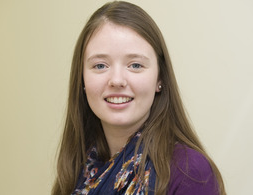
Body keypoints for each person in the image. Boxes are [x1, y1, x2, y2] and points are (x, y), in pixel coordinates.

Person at [52, 1, 226, 195]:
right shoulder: (77, 169)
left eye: (135, 65)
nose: (116, 80)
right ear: (82, 78)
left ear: (160, 78)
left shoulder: (189, 171)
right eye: (100, 65)